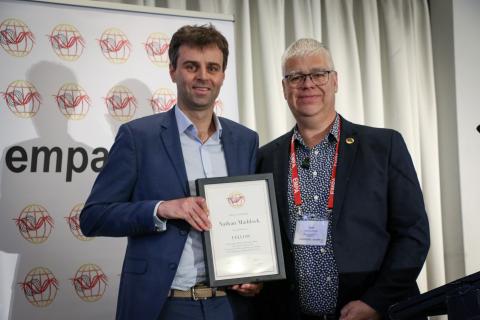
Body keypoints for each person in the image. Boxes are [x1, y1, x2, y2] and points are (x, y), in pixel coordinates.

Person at [80, 25, 261, 320]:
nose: (203, 76)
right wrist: (162, 209)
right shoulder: (138, 137)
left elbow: (253, 219)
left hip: (229, 306)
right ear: (173, 71)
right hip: (164, 304)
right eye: (192, 66)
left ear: (223, 76)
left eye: (212, 67)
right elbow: (93, 217)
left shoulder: (245, 140)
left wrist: (256, 275)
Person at [256, 38, 430, 320]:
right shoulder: (265, 158)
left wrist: (376, 302)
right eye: (296, 76)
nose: (307, 84)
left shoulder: (384, 146)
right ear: (284, 87)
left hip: (377, 312)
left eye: (318, 74)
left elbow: (413, 234)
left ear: (335, 81)